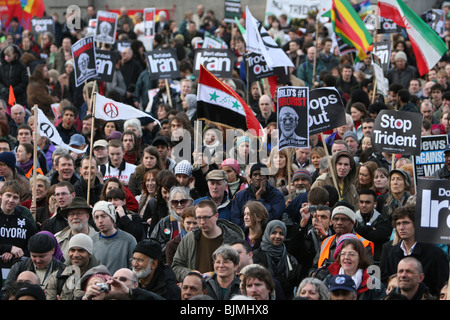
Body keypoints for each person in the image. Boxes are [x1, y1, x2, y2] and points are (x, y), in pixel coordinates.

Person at [380, 205, 449, 297]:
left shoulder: (435, 253)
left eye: (406, 223)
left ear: (417, 225)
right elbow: (385, 280)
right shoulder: (392, 251)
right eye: (398, 224)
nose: (401, 227)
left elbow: (441, 287)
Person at [171, 199, 245, 282]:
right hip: (197, 289)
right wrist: (190, 273)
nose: (202, 222)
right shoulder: (189, 238)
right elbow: (176, 267)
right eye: (198, 218)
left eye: (206, 217)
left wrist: (215, 275)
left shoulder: (233, 239)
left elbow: (239, 267)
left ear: (216, 216)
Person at [310, 204, 374, 277]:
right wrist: (315, 274)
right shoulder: (326, 242)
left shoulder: (364, 244)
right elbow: (314, 267)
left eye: (344, 219)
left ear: (353, 222)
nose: (339, 222)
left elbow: (371, 275)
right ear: (331, 221)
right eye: (336, 219)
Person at [321, 235, 386, 300]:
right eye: (343, 254)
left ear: (360, 258)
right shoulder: (329, 279)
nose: (346, 257)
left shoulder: (373, 284)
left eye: (352, 254)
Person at [252, 219, 302, 299]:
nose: (277, 236)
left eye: (281, 233)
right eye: (274, 232)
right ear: (268, 233)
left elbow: (293, 280)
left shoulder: (289, 258)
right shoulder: (257, 255)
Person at [230, 163, 285, 229]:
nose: (258, 178)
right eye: (255, 175)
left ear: (267, 177)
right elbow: (236, 220)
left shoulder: (277, 196)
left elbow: (271, 219)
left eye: (261, 175)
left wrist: (259, 198)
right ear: (251, 178)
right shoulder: (241, 196)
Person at [45, 233, 98, 300]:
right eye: (72, 250)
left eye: (81, 250)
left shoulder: (98, 278)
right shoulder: (57, 277)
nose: (75, 255)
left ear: (89, 253)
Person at [91, 200, 137, 274]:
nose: (100, 221)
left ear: (112, 217)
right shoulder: (91, 242)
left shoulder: (129, 240)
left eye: (103, 216)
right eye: (96, 217)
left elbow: (134, 269)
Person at [0, 181, 37, 270]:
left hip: (19, 270)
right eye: (8, 195)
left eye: (15, 197)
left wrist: (17, 254)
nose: (11, 200)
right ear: (1, 195)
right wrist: (8, 248)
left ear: (19, 201)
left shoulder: (26, 222)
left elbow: (33, 248)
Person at [150, 186, 193, 262]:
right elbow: (154, 245)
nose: (179, 205)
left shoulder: (196, 220)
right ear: (171, 204)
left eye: (183, 201)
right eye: (175, 202)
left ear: (189, 202)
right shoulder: (164, 222)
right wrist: (171, 248)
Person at [354, 189, 391, 264]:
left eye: (367, 202)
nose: (364, 205)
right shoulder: (353, 219)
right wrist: (369, 229)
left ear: (375, 204)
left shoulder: (382, 219)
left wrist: (360, 231)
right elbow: (351, 234)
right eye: (361, 202)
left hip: (375, 262)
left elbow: (379, 236)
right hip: (356, 260)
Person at [54, 197, 97, 261]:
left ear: (87, 216)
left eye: (79, 213)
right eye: (71, 214)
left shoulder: (98, 239)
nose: (75, 217)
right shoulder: (57, 239)